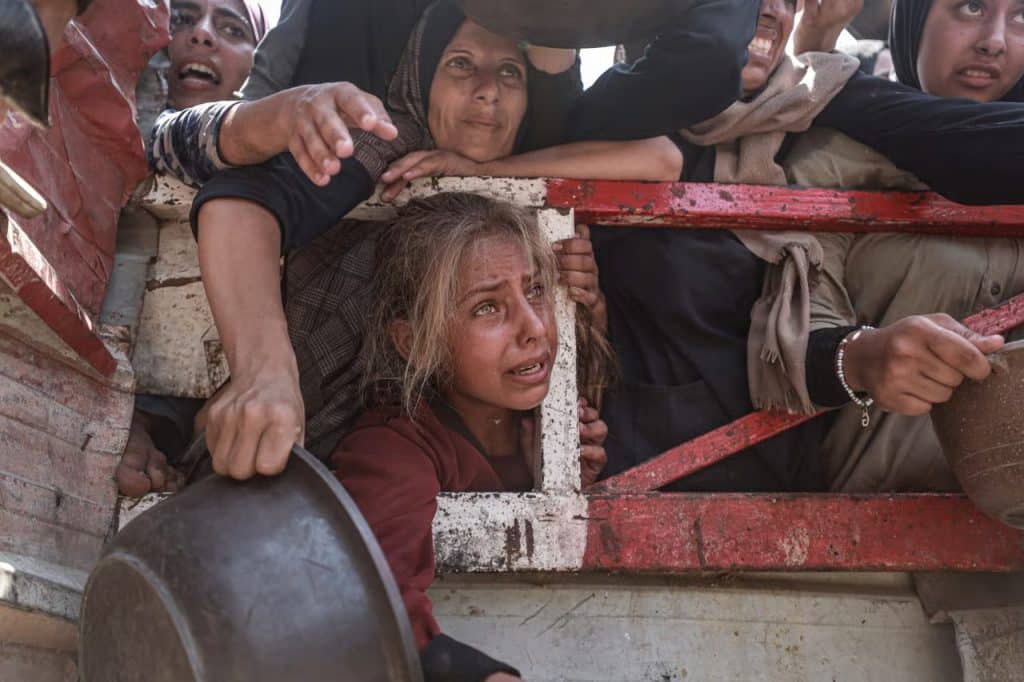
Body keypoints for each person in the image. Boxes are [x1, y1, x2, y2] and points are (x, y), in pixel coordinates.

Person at [187, 0, 759, 482]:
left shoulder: (526, 153)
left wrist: (489, 175)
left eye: (510, 73)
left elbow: (661, 159)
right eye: (460, 65)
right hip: (307, 438)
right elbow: (242, 201)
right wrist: (263, 371)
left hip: (457, 448)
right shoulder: (385, 143)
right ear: (422, 75)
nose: (488, 91)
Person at [330, 193, 610, 680]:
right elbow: (369, 610)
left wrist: (571, 480)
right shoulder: (393, 446)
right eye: (487, 308)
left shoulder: (557, 425)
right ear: (415, 343)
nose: (534, 327)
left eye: (536, 290)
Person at [789, 0, 1024, 492]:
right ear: (912, 20)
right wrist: (861, 355)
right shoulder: (831, 160)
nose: (994, 41)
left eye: (1022, 17)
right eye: (971, 7)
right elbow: (785, 336)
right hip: (864, 525)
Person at [117, 0, 271, 497]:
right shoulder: (127, 123)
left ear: (258, 65)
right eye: (180, 19)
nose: (201, 35)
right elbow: (183, 135)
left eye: (231, 28)